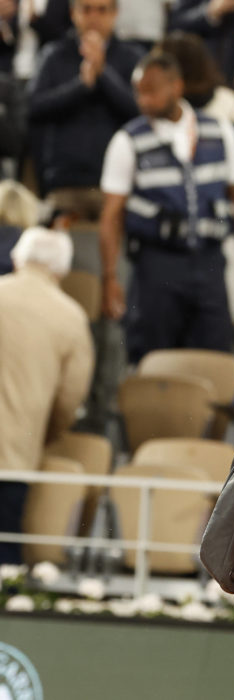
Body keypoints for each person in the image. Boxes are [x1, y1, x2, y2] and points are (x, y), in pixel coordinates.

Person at [98, 52, 234, 365]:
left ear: (176, 86)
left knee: (214, 353)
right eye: (138, 91)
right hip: (157, 264)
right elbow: (111, 215)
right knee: (153, 355)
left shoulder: (220, 132)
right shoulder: (127, 140)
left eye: (151, 90)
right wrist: (110, 277)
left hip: (210, 262)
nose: (143, 99)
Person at [0, 226, 93, 564]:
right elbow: (70, 397)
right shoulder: (70, 317)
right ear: (62, 269)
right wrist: (45, 435)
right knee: (5, 551)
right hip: (14, 455)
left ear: (17, 257)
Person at [26, 0, 143, 215]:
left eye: (102, 10)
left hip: (119, 182)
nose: (93, 17)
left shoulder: (132, 56)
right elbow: (33, 107)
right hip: (65, 182)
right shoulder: (53, 55)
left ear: (115, 13)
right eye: (86, 9)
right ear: (73, 13)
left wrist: (103, 73)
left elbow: (141, 110)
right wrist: (81, 86)